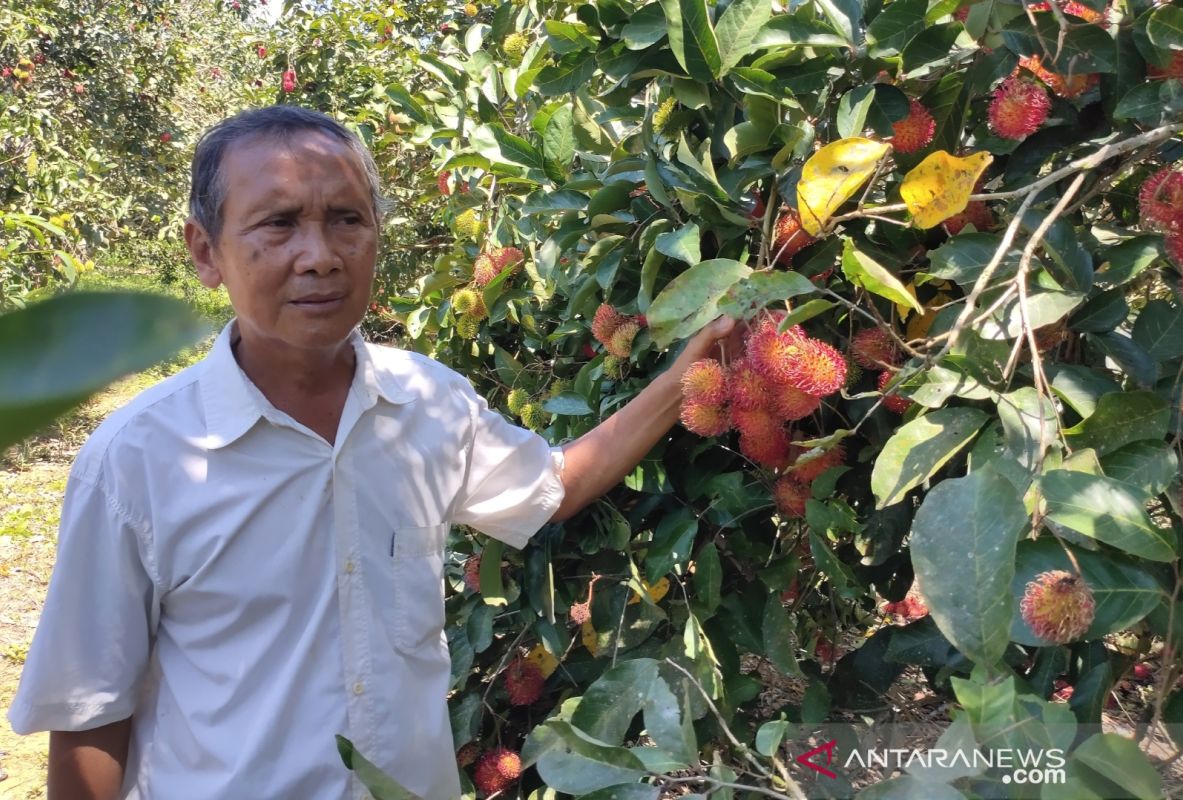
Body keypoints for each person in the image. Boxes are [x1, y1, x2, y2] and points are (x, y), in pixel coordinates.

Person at [7, 106, 734, 800]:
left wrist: (683, 382)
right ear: (205, 252)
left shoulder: (428, 404)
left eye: (346, 220)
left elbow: (552, 486)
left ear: (376, 233)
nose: (319, 257)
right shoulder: (139, 458)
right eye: (279, 224)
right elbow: (88, 712)